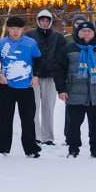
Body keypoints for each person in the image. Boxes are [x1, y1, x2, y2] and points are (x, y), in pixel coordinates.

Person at [51, 21, 96, 159]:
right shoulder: (68, 49)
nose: (86, 33)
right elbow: (59, 70)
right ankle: (73, 149)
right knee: (73, 125)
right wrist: (61, 89)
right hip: (75, 94)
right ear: (77, 32)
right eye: (83, 31)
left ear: (94, 33)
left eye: (89, 31)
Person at [0, 16, 42, 158]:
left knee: (28, 119)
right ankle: (2, 148)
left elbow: (38, 60)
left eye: (18, 29)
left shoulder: (31, 43)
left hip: (26, 87)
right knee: (4, 118)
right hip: (7, 87)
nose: (15, 31)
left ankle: (31, 148)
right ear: (8, 29)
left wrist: (36, 75)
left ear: (22, 29)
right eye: (12, 28)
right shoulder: (0, 44)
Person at [29, 9, 66, 147]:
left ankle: (48, 136)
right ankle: (36, 135)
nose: (45, 23)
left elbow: (62, 57)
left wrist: (58, 71)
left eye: (47, 20)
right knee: (34, 107)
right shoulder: (29, 36)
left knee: (48, 107)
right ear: (38, 21)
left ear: (50, 22)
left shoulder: (58, 37)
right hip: (34, 77)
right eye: (42, 20)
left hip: (51, 77)